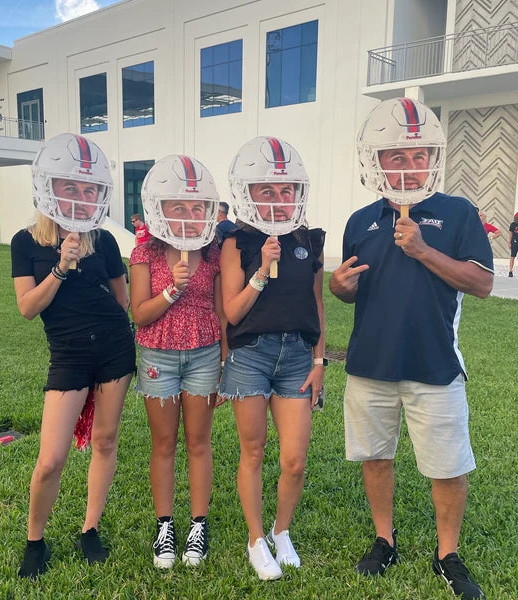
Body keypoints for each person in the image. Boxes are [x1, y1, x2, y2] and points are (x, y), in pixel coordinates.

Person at [330, 97, 492, 599]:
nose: (409, 165)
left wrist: (423, 249)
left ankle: (447, 553)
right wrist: (339, 286)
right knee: (375, 457)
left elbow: (482, 284)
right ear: (375, 161)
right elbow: (346, 288)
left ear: (433, 158)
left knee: (447, 466)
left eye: (417, 155)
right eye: (396, 155)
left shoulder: (458, 212)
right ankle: (385, 538)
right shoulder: (361, 219)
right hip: (370, 364)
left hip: (435, 364)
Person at [11, 133, 135, 579]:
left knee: (104, 441)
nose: (80, 198)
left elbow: (122, 303)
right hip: (67, 355)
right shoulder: (25, 242)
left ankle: (90, 528)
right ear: (50, 187)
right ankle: (35, 541)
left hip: (115, 350)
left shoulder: (102, 240)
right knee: (51, 459)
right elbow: (28, 308)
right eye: (70, 187)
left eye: (88, 190)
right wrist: (61, 268)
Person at [220, 136, 326, 581]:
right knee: (253, 451)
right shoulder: (236, 242)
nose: (279, 200)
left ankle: (282, 532)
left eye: (286, 191)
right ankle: (255, 538)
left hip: (298, 356)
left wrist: (321, 360)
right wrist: (261, 270)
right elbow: (232, 311)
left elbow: (317, 306)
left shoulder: (310, 238)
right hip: (251, 355)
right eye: (268, 190)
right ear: (250, 192)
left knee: (295, 459)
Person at [129, 154, 225, 569]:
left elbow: (221, 312)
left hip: (204, 354)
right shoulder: (144, 253)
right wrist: (172, 290)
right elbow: (139, 314)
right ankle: (165, 525)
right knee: (164, 443)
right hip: (158, 356)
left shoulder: (214, 251)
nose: (189, 214)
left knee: (199, 443)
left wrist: (223, 361)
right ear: (160, 208)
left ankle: (198, 525)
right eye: (178, 206)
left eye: (196, 207)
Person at [508, 211, 518, 277]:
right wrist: (509, 242)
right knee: (512, 256)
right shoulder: (513, 224)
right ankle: (510, 271)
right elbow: (511, 233)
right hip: (514, 242)